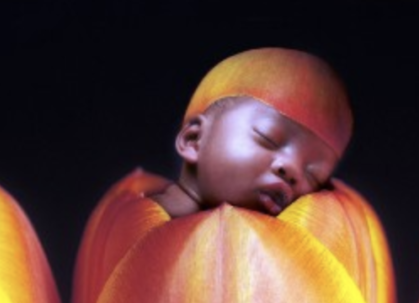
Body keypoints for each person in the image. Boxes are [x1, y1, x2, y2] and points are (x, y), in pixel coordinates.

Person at [148, 46, 354, 217]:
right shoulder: (144, 220)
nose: (293, 170)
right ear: (193, 140)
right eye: (268, 138)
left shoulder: (283, 247)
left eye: (313, 176)